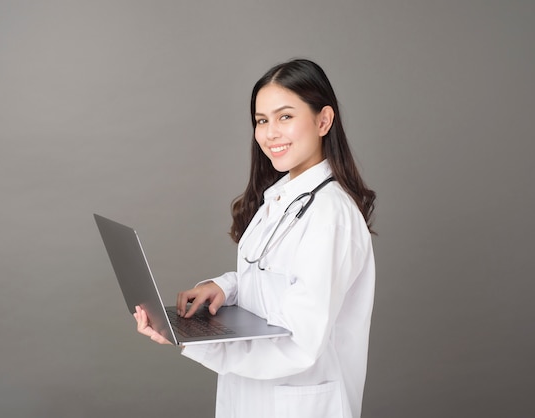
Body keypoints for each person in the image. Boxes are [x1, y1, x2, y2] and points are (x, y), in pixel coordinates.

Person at [134, 58, 376, 418]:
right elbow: (274, 276)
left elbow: (299, 345)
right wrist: (225, 287)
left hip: (301, 406)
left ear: (323, 120)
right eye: (262, 121)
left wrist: (192, 342)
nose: (270, 133)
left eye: (285, 117)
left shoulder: (330, 216)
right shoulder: (278, 199)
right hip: (250, 400)